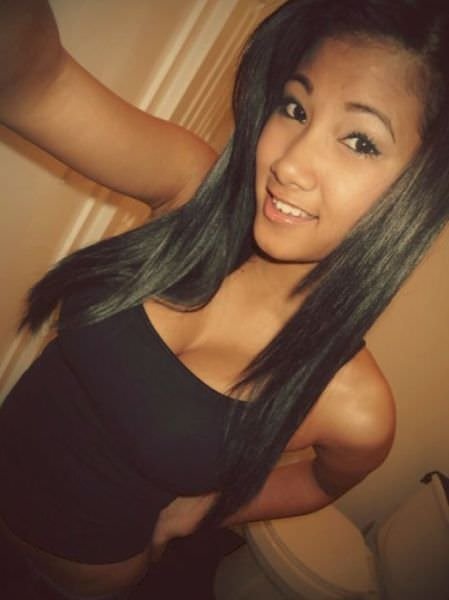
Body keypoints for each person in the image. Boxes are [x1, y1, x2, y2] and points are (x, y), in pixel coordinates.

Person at [0, 0, 448, 598]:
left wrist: (199, 513)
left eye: (360, 141)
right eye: (295, 108)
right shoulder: (191, 192)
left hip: (76, 581)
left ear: (418, 194)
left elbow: (324, 480)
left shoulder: (353, 404)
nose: (289, 163)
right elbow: (37, 79)